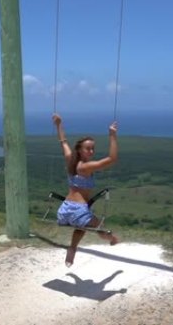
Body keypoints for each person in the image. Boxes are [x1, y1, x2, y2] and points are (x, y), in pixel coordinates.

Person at [52, 113, 120, 267]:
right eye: (88, 149)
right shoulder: (85, 167)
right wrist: (112, 135)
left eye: (92, 149)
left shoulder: (70, 160)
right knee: (99, 228)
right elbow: (112, 159)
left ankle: (72, 249)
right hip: (78, 210)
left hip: (64, 210)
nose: (91, 152)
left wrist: (58, 124)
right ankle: (113, 239)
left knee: (81, 226)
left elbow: (63, 141)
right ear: (80, 150)